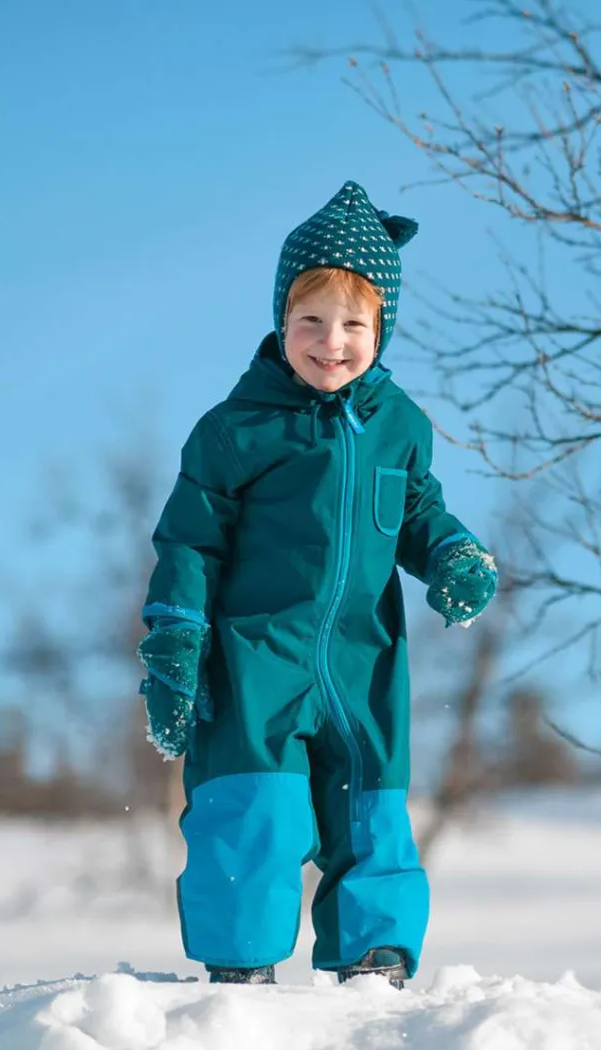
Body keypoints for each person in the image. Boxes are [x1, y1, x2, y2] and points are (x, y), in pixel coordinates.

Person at [137, 180, 498, 989]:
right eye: (310, 321)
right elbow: (188, 542)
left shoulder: (399, 424)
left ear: (382, 329)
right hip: (256, 658)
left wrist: (452, 555)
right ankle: (241, 974)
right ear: (280, 319)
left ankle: (376, 966)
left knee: (372, 813)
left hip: (363, 661)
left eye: (353, 325)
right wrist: (174, 643)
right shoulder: (236, 429)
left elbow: (417, 510)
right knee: (254, 816)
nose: (330, 342)